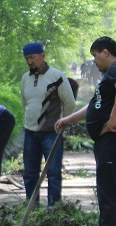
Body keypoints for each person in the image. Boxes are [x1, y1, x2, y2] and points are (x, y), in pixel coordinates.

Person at [55, 37, 116, 226]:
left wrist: (113, 119)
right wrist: (69, 119)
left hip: (115, 139)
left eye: (95, 56)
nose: (94, 61)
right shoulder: (110, 75)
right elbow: (94, 106)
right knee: (111, 189)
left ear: (105, 52)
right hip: (109, 142)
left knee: (107, 191)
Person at [20, 42, 76, 206]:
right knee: (30, 173)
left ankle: (54, 209)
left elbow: (70, 103)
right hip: (30, 132)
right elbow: (25, 103)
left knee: (53, 172)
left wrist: (63, 123)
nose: (30, 61)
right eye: (27, 58)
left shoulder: (57, 76)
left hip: (52, 133)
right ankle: (32, 207)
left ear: (43, 56)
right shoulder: (25, 78)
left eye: (33, 57)